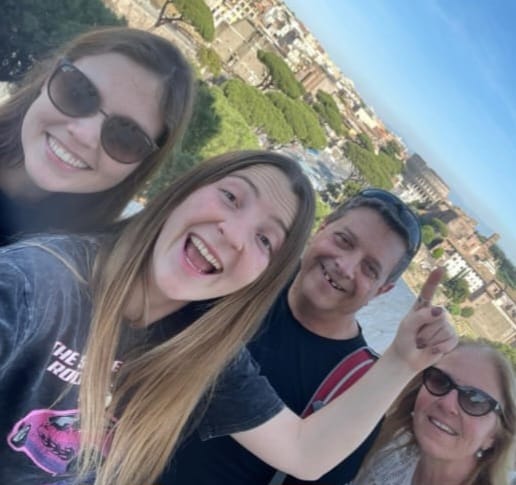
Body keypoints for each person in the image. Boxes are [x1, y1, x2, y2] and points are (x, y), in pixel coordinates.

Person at [0, 153, 456, 485]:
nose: (234, 237)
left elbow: (303, 452)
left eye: (264, 239)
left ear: (383, 292)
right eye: (343, 241)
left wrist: (402, 362)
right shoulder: (39, 283)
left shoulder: (215, 333)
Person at [165, 188, 427, 485]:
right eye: (343, 241)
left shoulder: (358, 390)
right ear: (322, 227)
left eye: (369, 269)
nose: (345, 267)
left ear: (383, 290)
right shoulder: (246, 273)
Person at [0, 26, 194, 245]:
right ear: (49, 78)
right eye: (77, 93)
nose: (84, 135)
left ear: (142, 164)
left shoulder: (84, 259)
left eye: (125, 138)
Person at [353, 339, 516, 485]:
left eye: (475, 400)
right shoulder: (383, 455)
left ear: (493, 437)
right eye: (440, 381)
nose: (447, 404)